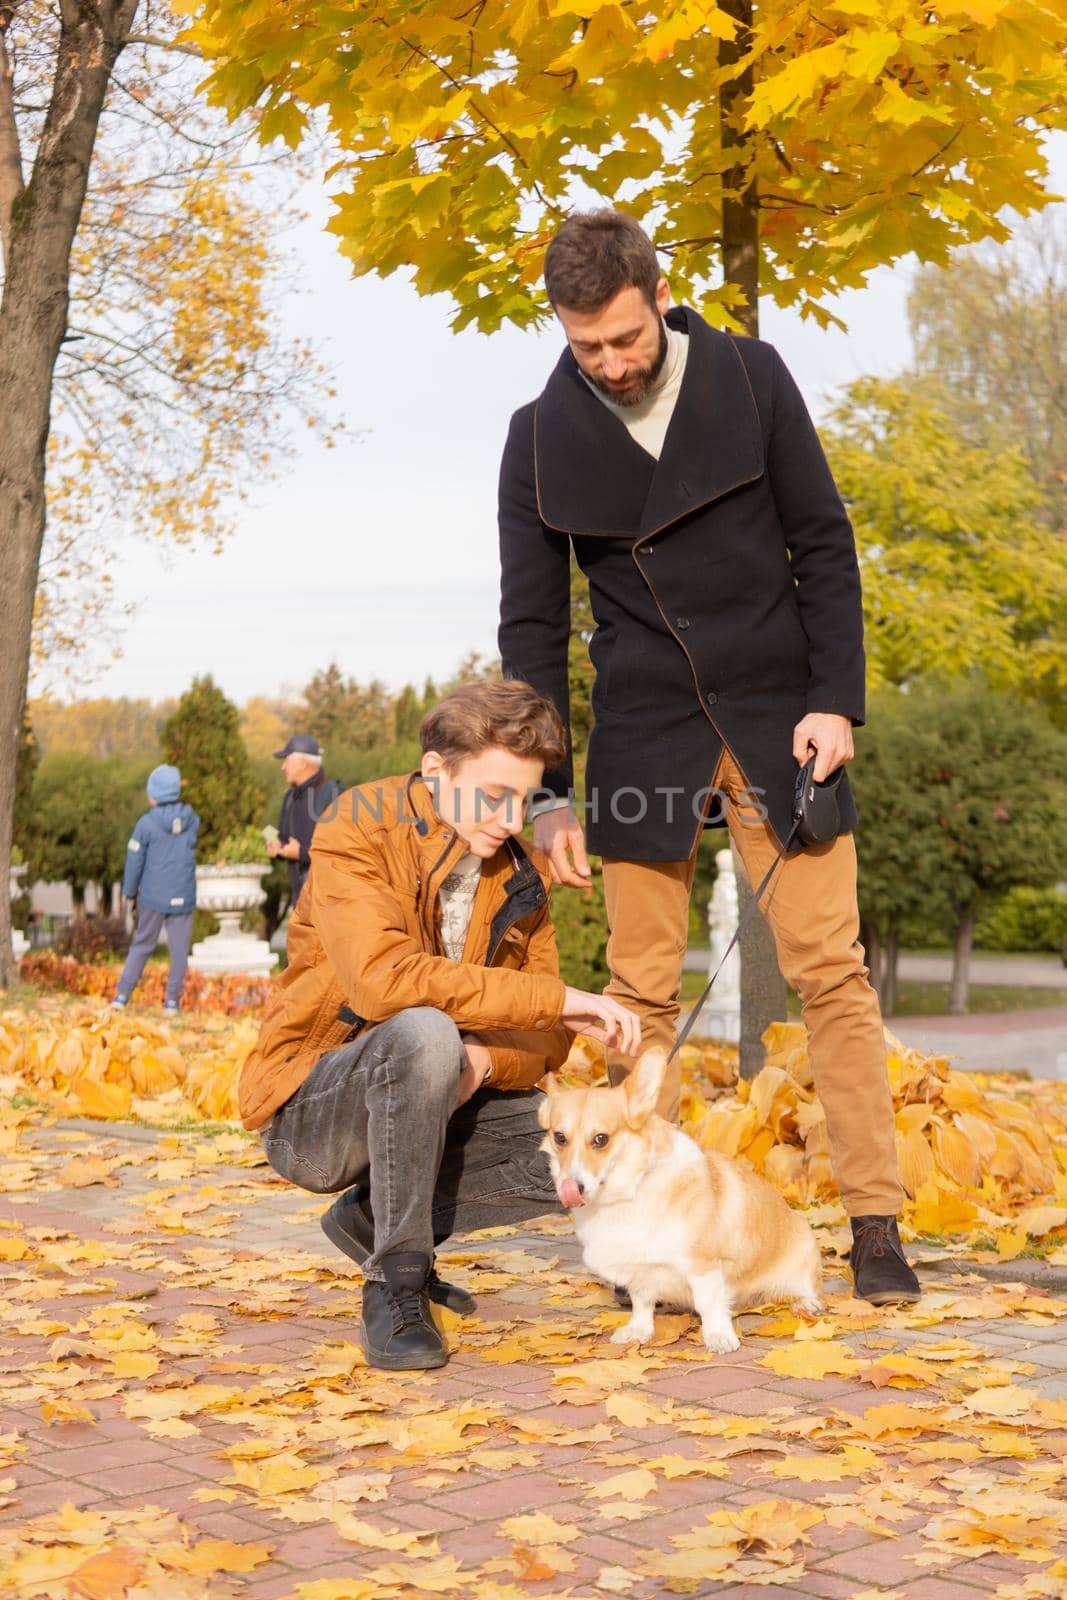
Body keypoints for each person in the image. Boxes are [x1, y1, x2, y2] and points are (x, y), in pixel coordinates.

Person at [497, 209, 919, 1306]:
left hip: (781, 719)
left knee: (829, 971)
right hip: (642, 729)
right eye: (585, 347)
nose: (608, 364)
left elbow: (821, 539)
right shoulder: (535, 437)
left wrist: (835, 700)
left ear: (656, 294)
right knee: (636, 994)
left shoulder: (750, 376)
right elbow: (529, 632)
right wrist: (547, 792)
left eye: (624, 341)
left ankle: (873, 1222)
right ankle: (646, 1243)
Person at [238, 680, 641, 1370]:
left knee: (606, 1148)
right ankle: (394, 1284)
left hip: (441, 1105)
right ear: (435, 772)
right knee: (425, 1032)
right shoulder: (355, 828)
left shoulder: (521, 874)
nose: (511, 819)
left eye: (524, 798)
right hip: (314, 1107)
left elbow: (545, 1034)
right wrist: (543, 1005)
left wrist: (482, 1063)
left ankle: (371, 1218)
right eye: (492, 795)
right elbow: (381, 980)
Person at [113, 765, 199, 1013]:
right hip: (183, 895)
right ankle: (172, 1001)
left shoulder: (146, 824)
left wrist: (129, 892)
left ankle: (122, 996)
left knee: (142, 945)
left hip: (152, 896)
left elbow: (134, 860)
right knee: (180, 950)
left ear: (154, 795)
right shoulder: (192, 820)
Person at [267, 734, 342, 905]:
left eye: (286, 760)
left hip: (328, 903)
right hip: (299, 900)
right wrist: (274, 844)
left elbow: (342, 853)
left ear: (302, 763)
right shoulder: (289, 797)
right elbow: (283, 836)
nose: (283, 767)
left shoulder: (335, 795)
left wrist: (301, 853)